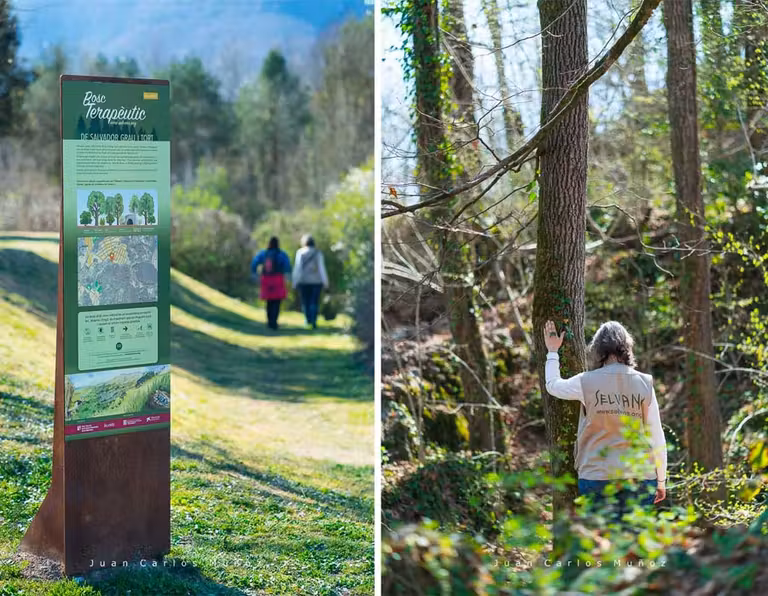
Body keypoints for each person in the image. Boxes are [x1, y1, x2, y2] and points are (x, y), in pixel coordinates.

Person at [543, 320, 667, 520]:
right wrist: (661, 480)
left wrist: (552, 351)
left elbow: (553, 385)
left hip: (596, 476)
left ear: (598, 349)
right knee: (633, 544)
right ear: (627, 348)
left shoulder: (586, 381)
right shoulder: (644, 383)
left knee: (604, 545)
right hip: (640, 476)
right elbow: (657, 437)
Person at [251, 237, 291, 330]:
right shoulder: (281, 254)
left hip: (266, 279)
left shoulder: (264, 253)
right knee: (277, 302)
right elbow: (287, 266)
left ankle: (269, 321)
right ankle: (274, 322)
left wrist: (254, 273)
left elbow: (254, 263)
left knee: (269, 301)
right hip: (278, 279)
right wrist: (288, 276)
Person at [292, 234, 329, 329]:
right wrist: (325, 281)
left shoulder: (300, 253)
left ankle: (307, 320)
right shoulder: (318, 253)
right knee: (314, 302)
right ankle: (313, 321)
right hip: (316, 282)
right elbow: (322, 268)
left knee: (306, 302)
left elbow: (298, 268)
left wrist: (295, 281)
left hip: (304, 281)